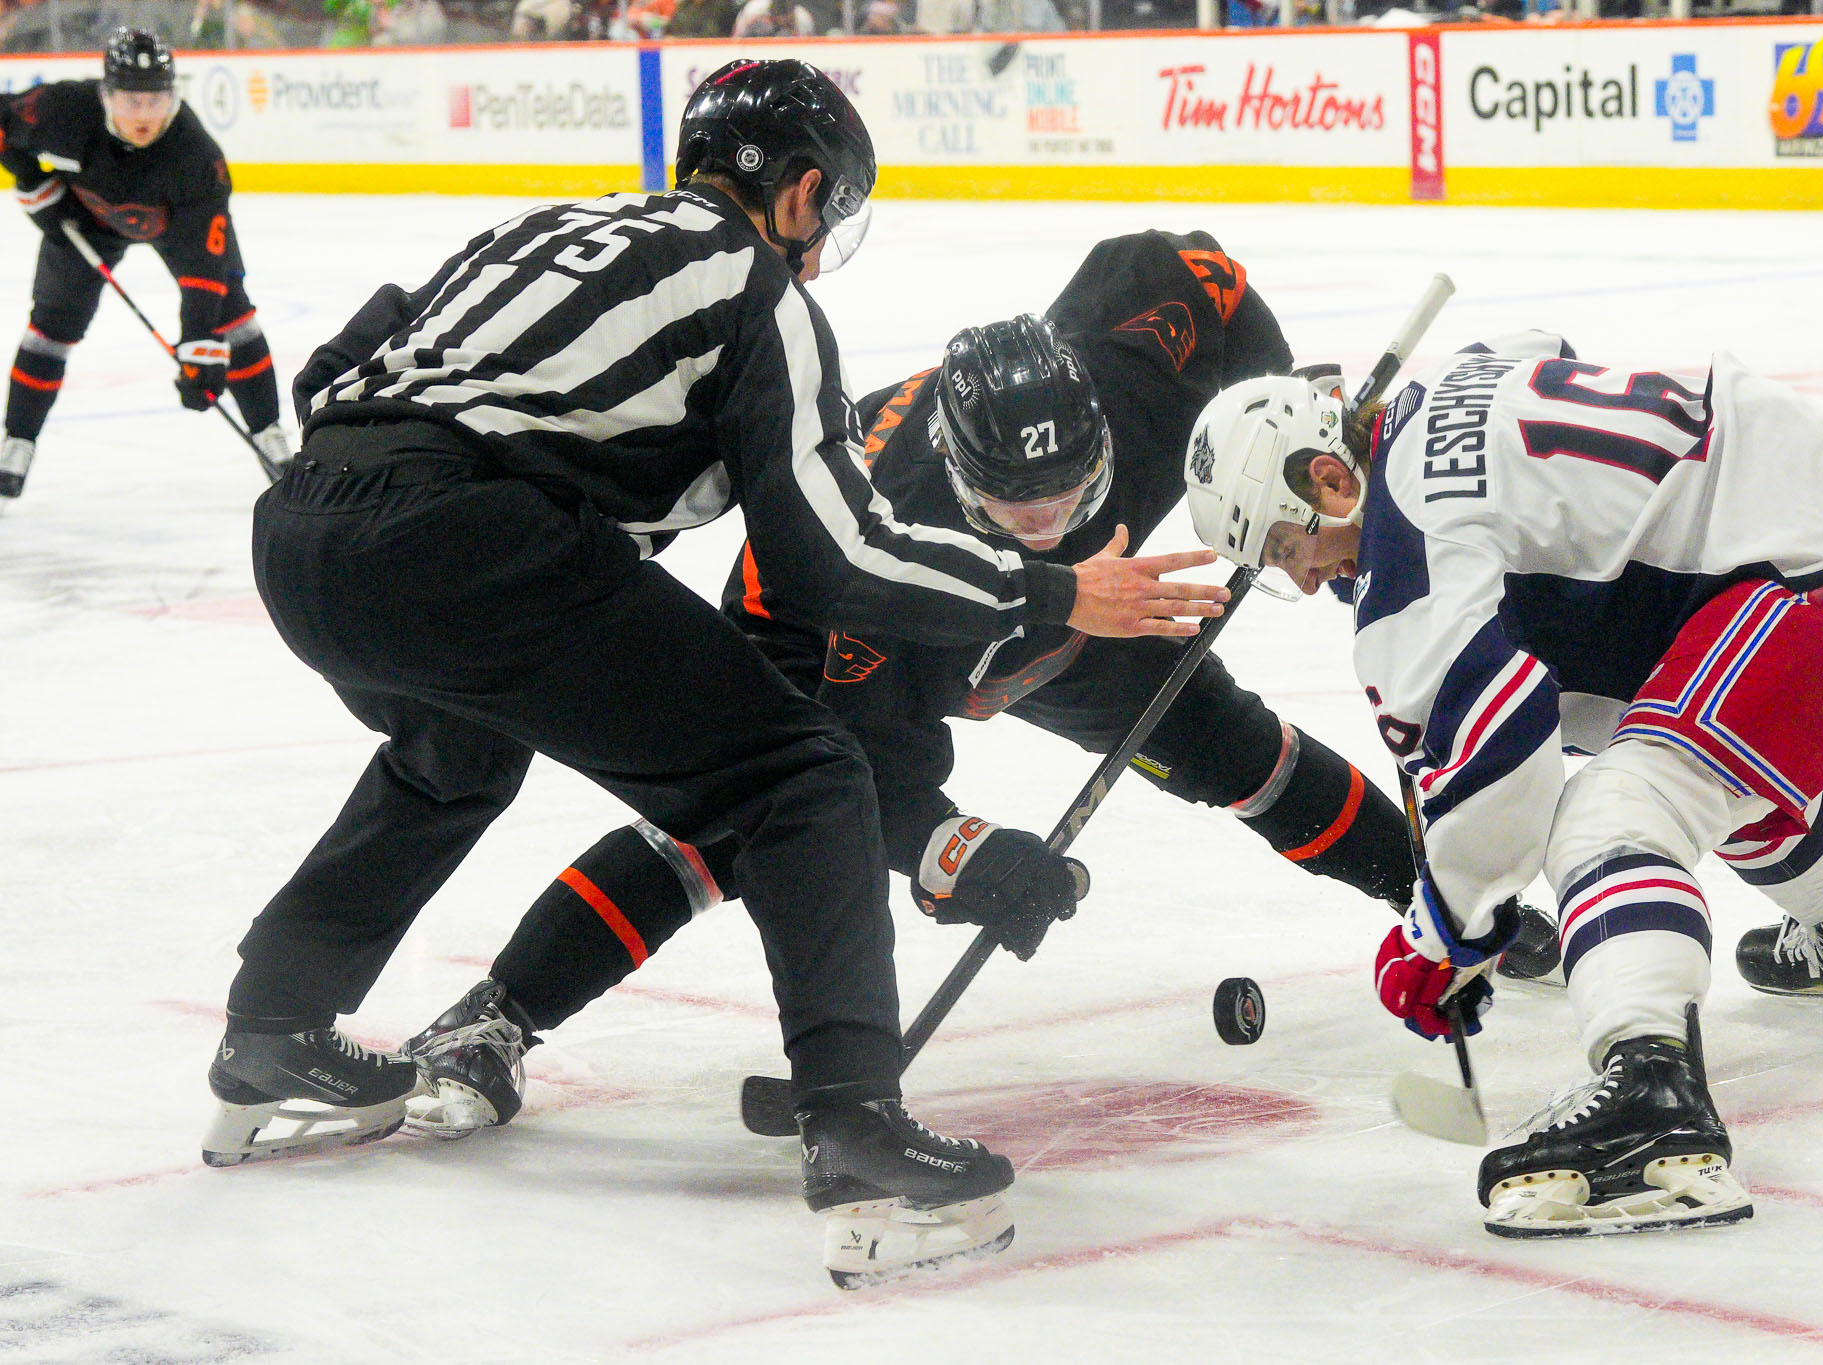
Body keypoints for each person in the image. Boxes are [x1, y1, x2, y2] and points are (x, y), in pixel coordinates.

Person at [199, 59, 1226, 1286]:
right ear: (797, 194)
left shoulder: (545, 228)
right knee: (800, 774)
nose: (822, 248)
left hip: (303, 527)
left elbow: (343, 360)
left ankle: (272, 1028)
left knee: (452, 756)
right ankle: (853, 1124)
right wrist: (1053, 593)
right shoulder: (755, 289)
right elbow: (829, 560)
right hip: (462, 539)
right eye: (829, 214)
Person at [398, 233, 1564, 1142]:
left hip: (1087, 613)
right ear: (960, 484)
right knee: (741, 818)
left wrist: (1271, 421)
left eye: (1073, 491)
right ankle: (498, 1014)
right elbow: (873, 783)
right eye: (1020, 510)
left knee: (1231, 748)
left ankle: (1447, 908)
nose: (1050, 521)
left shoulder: (1126, 365)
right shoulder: (876, 548)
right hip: (890, 631)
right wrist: (960, 856)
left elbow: (1198, 272)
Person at [1182, 329, 1823, 1237]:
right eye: (1278, 565)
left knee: (1612, 816)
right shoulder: (1450, 379)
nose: (1304, 572)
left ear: (1328, 476)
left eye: (1288, 544)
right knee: (1683, 742)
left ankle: (1653, 1106)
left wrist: (1445, 932)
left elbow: (1504, 771)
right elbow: (1537, 350)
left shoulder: (1408, 565)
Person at [0, 27, 291, 506]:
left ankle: (269, 433)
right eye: (132, 101)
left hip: (176, 227)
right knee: (51, 326)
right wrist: (32, 183)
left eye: (155, 101)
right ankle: (18, 441)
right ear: (106, 95)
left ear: (173, 97)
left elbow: (204, 264)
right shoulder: (64, 110)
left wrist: (199, 343)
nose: (144, 115)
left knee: (232, 318)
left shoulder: (196, 157)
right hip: (85, 221)